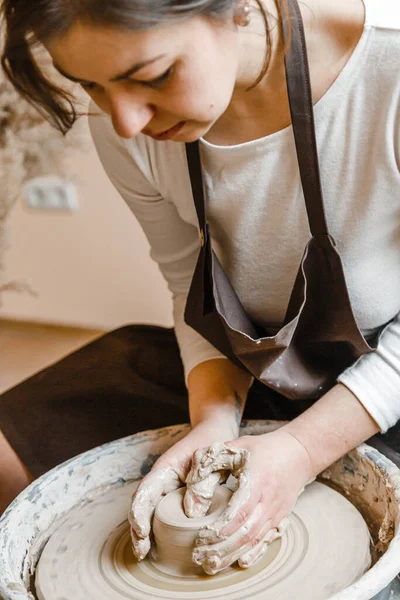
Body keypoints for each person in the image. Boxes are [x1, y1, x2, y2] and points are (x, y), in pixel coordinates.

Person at [1, 0, 400, 575]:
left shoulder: (385, 67)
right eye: (90, 85)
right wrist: (212, 423)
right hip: (247, 361)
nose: (125, 122)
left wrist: (303, 450)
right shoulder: (124, 120)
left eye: (151, 77)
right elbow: (188, 278)